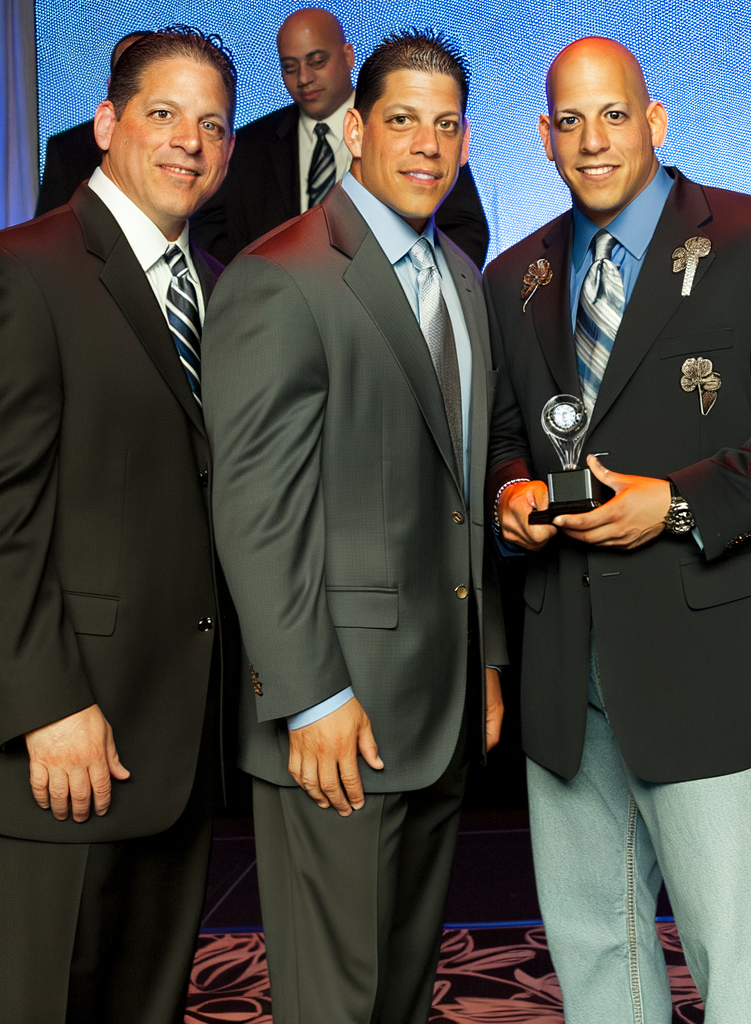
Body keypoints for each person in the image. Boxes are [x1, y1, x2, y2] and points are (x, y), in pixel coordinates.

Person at [486, 36, 751, 1023]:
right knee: (594, 954)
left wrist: (678, 501)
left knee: (743, 955)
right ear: (544, 137)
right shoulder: (512, 279)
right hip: (568, 668)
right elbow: (506, 441)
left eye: (613, 115)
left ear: (654, 122)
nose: (592, 139)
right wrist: (509, 499)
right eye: (570, 120)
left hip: (705, 660)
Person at [202, 28, 505, 1024]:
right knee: (336, 1002)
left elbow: (460, 491)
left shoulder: (461, 274)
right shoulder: (280, 273)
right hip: (338, 713)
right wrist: (307, 693)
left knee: (401, 994)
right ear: (358, 132)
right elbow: (255, 507)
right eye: (404, 120)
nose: (427, 143)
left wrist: (486, 658)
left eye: (446, 124)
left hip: (442, 701)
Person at [0, 26, 237, 1024]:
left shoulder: (222, 288)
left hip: (180, 741)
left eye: (213, 124)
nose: (189, 140)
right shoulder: (29, 269)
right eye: (163, 113)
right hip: (63, 741)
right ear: (106, 123)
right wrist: (45, 701)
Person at [191, 8, 491, 268]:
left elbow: (466, 229)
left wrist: (420, 287)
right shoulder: (246, 146)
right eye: (290, 67)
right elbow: (209, 237)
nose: (304, 78)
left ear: (349, 56)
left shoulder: (425, 133)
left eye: (317, 61)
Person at [34, 30, 151, 216]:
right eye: (129, 73)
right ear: (111, 85)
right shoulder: (68, 149)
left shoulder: (194, 144)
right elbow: (48, 228)